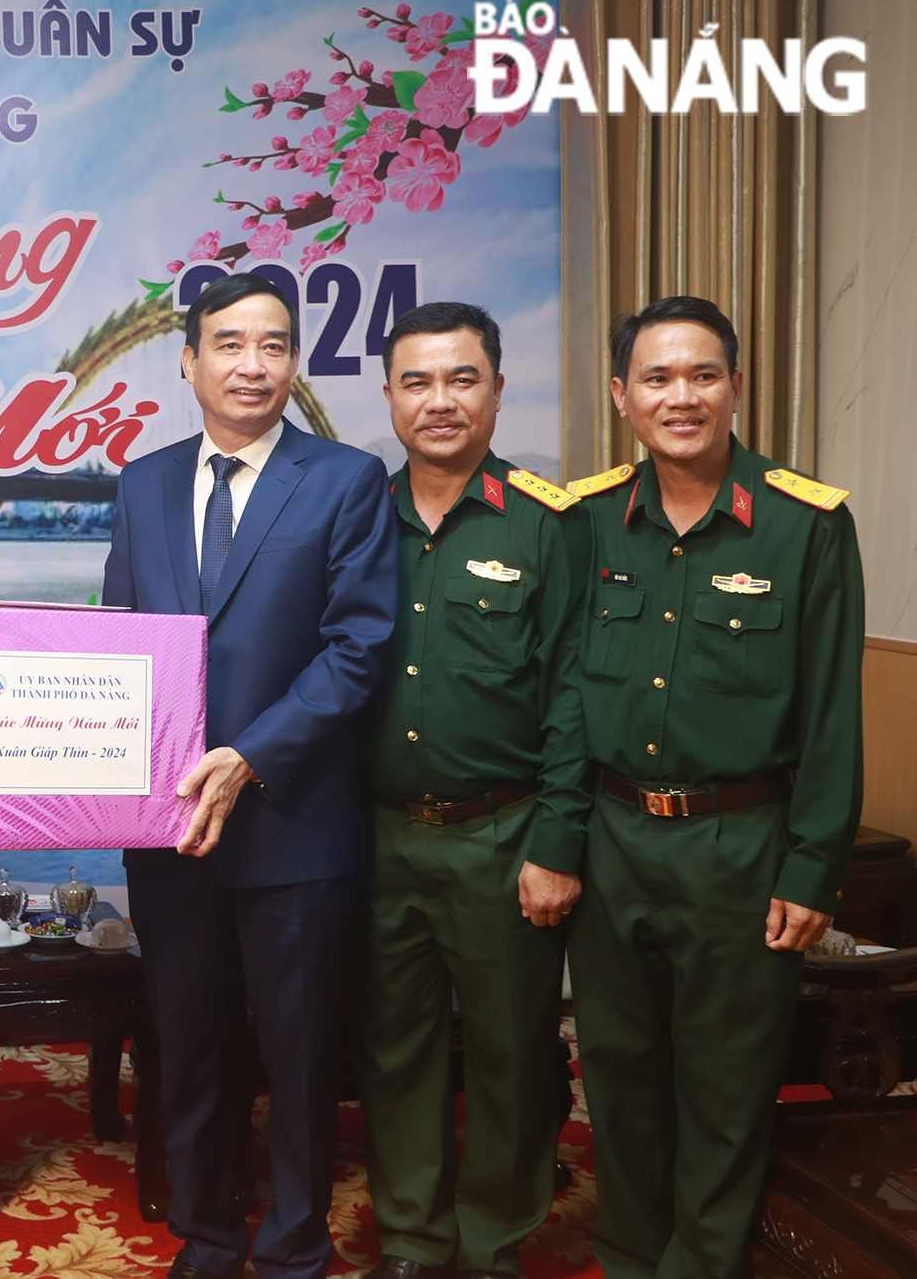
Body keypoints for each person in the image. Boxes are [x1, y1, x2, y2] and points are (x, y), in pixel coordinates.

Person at [103, 271, 398, 1279]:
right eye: (228, 344)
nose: (251, 364)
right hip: (169, 831)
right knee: (185, 1046)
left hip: (291, 822)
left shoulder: (345, 479)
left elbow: (356, 648)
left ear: (293, 362)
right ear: (188, 361)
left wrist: (250, 755)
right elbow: (116, 652)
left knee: (299, 1053)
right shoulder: (140, 484)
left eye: (272, 345)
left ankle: (292, 1244)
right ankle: (207, 1231)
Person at [565, 296, 862, 1279]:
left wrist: (812, 865)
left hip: (740, 846)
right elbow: (563, 694)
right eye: (655, 378)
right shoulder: (587, 520)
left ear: (734, 384)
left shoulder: (802, 523)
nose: (678, 395)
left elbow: (828, 712)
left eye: (700, 375)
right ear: (621, 395)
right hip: (611, 841)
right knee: (617, 1076)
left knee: (725, 1086)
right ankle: (628, 1256)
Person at [352, 303, 590, 1279]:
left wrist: (557, 842)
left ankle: (490, 1239)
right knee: (394, 1048)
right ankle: (411, 1238)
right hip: (375, 836)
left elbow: (576, 691)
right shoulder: (355, 517)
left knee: (511, 1052)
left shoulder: (548, 523)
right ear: (388, 397)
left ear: (496, 386)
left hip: (504, 837)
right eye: (416, 381)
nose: (438, 401)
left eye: (460, 379)